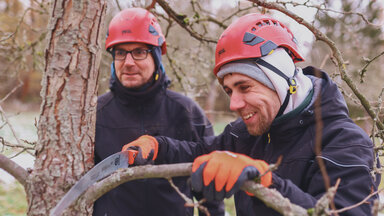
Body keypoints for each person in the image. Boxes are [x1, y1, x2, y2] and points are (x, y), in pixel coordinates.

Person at [121, 13, 380, 215]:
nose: (234, 104)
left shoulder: (346, 143)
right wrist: (158, 146)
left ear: (281, 81)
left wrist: (267, 182)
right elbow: (199, 152)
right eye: (229, 90)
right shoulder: (245, 134)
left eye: (244, 87)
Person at [93, 8, 224, 216]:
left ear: (155, 57)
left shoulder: (187, 112)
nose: (128, 62)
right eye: (120, 53)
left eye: (139, 52)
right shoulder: (95, 114)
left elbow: (210, 192)